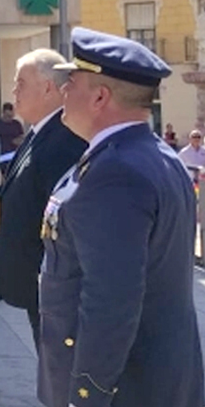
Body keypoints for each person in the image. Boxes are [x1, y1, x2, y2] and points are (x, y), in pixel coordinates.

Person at [40, 28, 203, 407]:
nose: (63, 89)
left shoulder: (115, 172)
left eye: (72, 80)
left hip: (123, 386)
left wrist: (86, 394)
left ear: (99, 96)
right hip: (158, 376)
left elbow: (111, 302)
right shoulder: (153, 156)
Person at [0, 49, 85, 354]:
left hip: (53, 284)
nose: (14, 92)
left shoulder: (64, 139)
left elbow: (63, 219)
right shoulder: (38, 132)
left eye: (21, 83)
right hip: (36, 283)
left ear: (49, 87)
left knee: (60, 375)